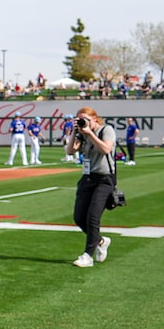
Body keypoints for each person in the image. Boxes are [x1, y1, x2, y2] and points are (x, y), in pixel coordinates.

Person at [65, 107, 117, 268]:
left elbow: (106, 149)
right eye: (79, 119)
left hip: (104, 178)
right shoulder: (81, 133)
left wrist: (90, 133)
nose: (82, 122)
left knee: (93, 217)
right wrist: (75, 132)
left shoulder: (106, 130)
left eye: (85, 119)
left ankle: (88, 256)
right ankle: (101, 241)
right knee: (79, 218)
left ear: (94, 118)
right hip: (88, 178)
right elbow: (70, 150)